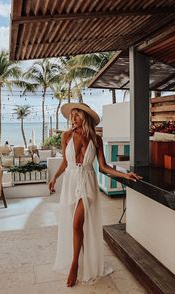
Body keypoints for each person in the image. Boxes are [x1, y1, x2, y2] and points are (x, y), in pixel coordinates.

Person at [48, 103, 142, 287]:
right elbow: (65, 163)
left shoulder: (96, 139)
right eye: (71, 116)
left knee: (77, 223)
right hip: (70, 182)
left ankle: (74, 265)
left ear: (85, 117)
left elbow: (104, 167)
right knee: (77, 226)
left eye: (77, 115)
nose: (73, 119)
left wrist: (125, 174)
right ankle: (81, 259)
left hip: (88, 182)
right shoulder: (66, 136)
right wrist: (54, 178)